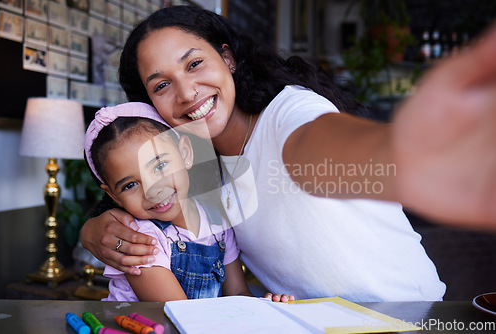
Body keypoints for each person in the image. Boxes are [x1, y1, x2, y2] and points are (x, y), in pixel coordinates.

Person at [81, 6, 496, 301]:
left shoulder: (289, 111)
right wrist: (94, 230)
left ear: (227, 58)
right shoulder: (198, 169)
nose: (187, 93)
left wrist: (406, 150)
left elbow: (318, 146)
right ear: (152, 108)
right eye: (161, 85)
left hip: (408, 317)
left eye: (194, 64)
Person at [84, 102, 293, 302]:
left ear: (185, 153)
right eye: (130, 185)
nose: (153, 190)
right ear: (113, 196)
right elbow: (180, 315)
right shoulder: (141, 240)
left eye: (159, 166)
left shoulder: (217, 220)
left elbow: (237, 292)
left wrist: (266, 310)